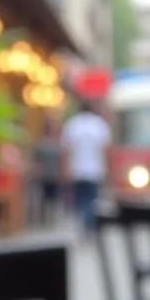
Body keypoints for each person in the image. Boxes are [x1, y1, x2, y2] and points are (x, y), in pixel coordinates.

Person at [61, 99, 112, 233]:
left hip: (77, 170)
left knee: (80, 200)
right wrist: (108, 170)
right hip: (95, 170)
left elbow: (66, 151)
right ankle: (89, 225)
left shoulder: (72, 125)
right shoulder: (99, 125)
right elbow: (105, 150)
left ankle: (84, 224)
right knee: (92, 200)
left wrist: (65, 170)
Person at [30, 118, 63, 227]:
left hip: (54, 174)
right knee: (43, 198)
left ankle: (51, 219)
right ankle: (43, 219)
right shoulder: (41, 143)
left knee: (53, 197)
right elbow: (36, 159)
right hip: (44, 175)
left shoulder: (58, 143)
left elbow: (61, 159)